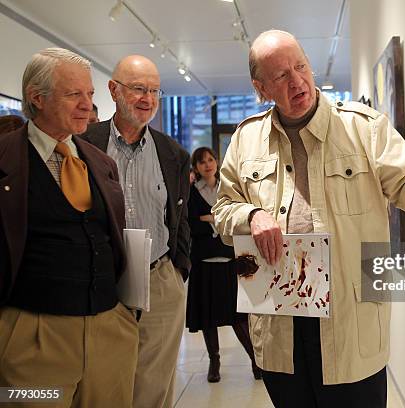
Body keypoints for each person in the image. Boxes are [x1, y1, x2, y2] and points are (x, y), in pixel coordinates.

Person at [213, 30, 405, 407]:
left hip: (348, 322)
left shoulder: (362, 127)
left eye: (300, 66)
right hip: (279, 320)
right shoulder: (246, 139)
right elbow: (223, 210)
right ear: (261, 87)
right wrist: (251, 215)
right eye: (281, 75)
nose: (297, 80)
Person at [0, 47, 138, 406]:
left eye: (90, 94)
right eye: (74, 93)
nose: (87, 105)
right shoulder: (4, 159)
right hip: (32, 342)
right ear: (37, 98)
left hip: (110, 333)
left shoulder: (101, 162)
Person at [81, 55, 190, 408]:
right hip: (101, 280)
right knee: (103, 381)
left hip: (159, 277)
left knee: (153, 384)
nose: (148, 99)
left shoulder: (172, 153)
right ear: (113, 90)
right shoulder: (83, 142)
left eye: (155, 91)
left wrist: (179, 268)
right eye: (138, 89)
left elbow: (179, 216)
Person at [186, 147, 261, 382]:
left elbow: (235, 223)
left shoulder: (227, 188)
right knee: (208, 318)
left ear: (217, 162)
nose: (207, 164)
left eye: (210, 160)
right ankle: (214, 362)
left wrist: (208, 219)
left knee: (239, 316)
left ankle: (256, 361)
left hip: (230, 259)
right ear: (196, 167)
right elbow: (191, 225)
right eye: (201, 162)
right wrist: (216, 222)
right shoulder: (191, 192)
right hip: (204, 262)